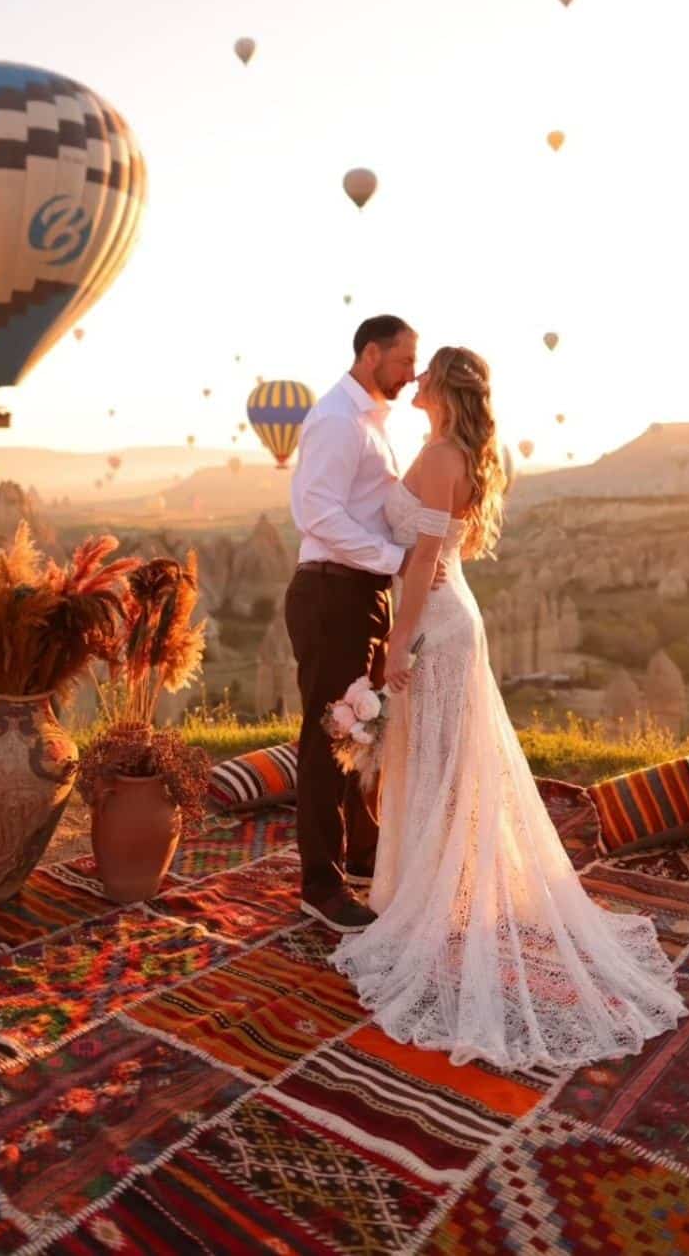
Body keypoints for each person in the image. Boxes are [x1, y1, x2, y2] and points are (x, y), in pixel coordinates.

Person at [331, 346, 689, 1070]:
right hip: (452, 615)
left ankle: (427, 908)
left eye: (426, 374)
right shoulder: (457, 452)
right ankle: (433, 894)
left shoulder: (438, 456)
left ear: (444, 389)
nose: (417, 381)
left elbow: (424, 561)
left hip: (434, 619)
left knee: (434, 762)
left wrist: (397, 645)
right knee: (442, 760)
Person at [286, 314, 436, 934]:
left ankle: (362, 849)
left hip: (364, 594)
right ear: (371, 353)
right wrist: (397, 560)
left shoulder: (375, 422)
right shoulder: (335, 421)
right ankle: (319, 884)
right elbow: (316, 513)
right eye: (403, 361)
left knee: (364, 729)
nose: (410, 374)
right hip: (331, 595)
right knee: (328, 735)